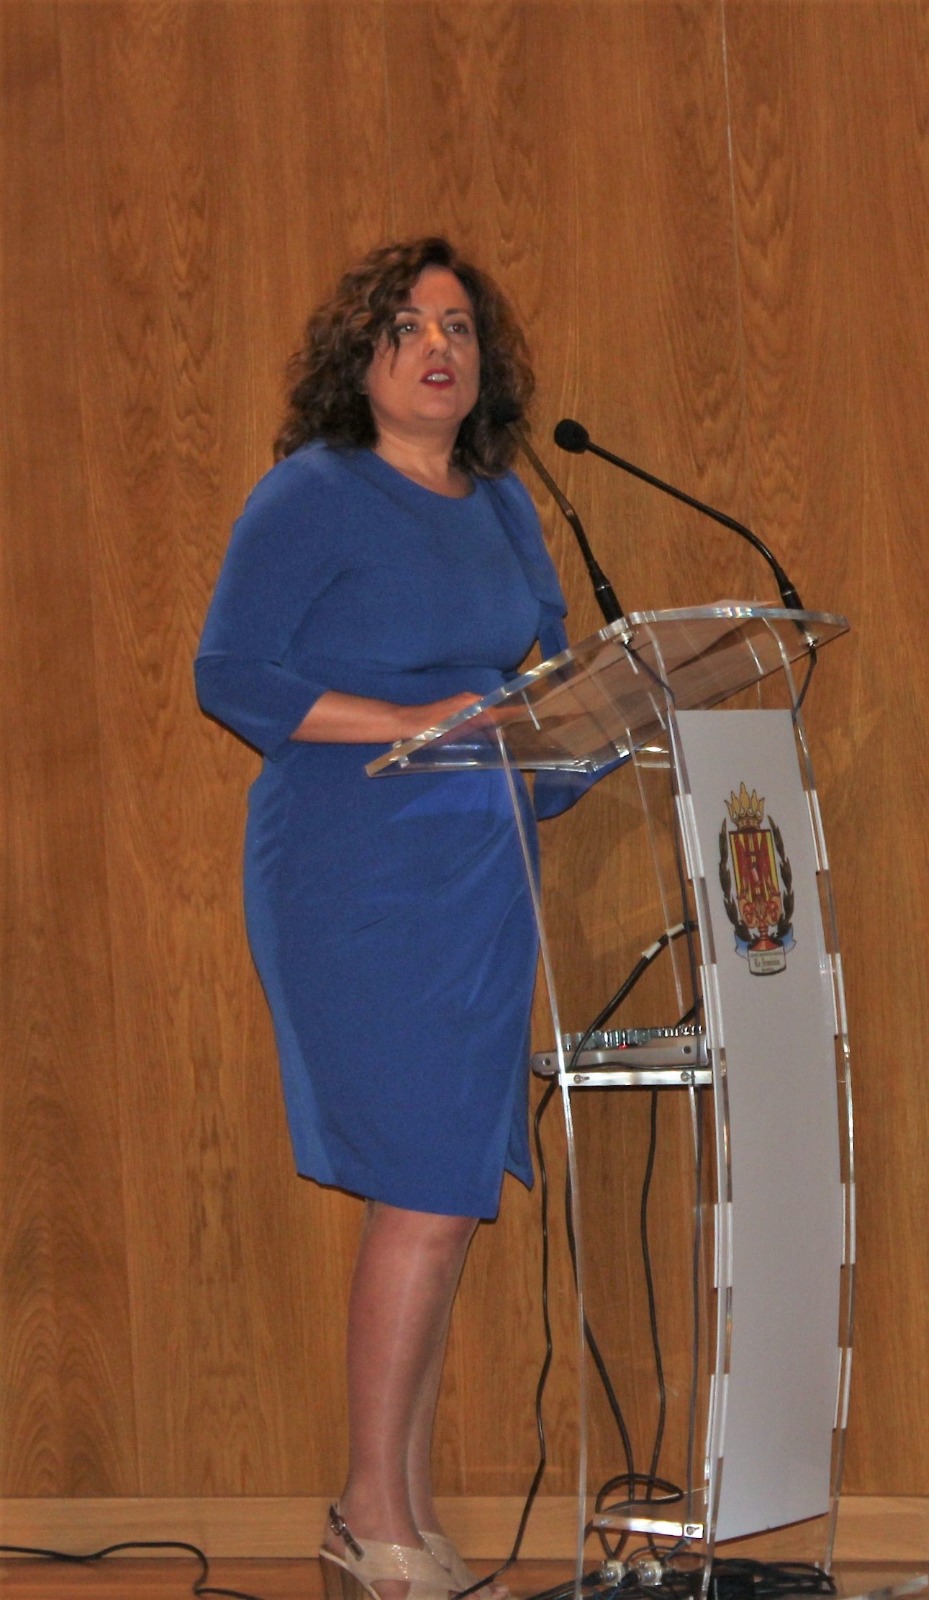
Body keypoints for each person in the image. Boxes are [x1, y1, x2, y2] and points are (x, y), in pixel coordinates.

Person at [196, 238, 583, 1600]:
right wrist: (420, 720)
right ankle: (370, 1513)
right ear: (358, 359)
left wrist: (581, 734)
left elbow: (541, 681)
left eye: (459, 327)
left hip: (479, 874)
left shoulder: (506, 506)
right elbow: (233, 675)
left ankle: (398, 1512)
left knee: (446, 1196)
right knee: (423, 1187)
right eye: (407, 327)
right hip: (353, 869)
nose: (438, 348)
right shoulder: (312, 493)